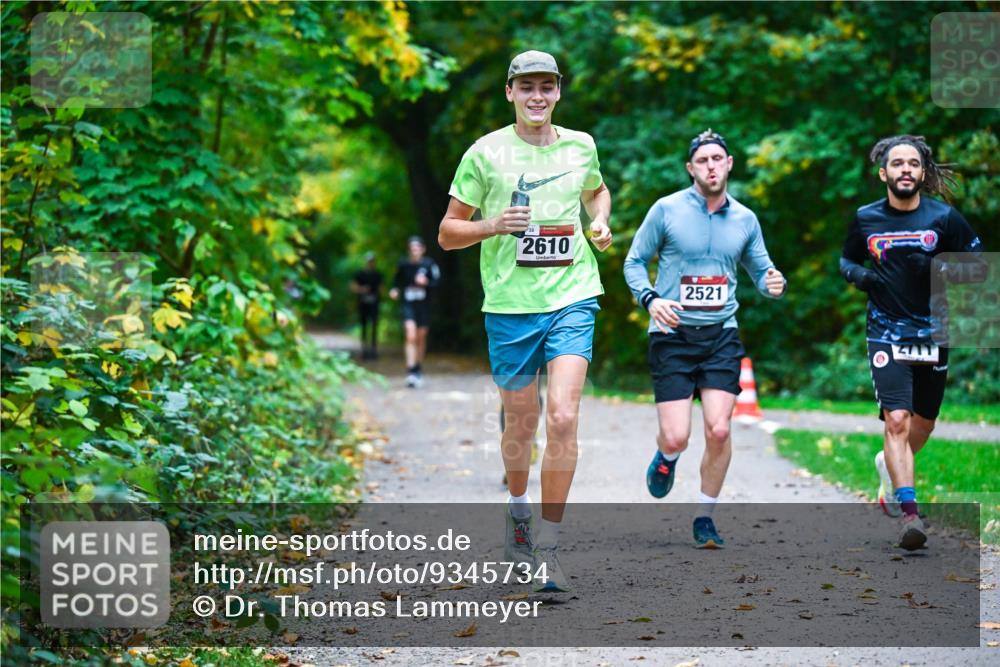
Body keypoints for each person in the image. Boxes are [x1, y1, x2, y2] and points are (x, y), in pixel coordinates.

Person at [438, 50, 613, 592]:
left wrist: (600, 221)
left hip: (573, 295)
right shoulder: (484, 153)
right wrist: (492, 225)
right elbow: (447, 232)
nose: (537, 96)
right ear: (510, 92)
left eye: (547, 86)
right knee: (522, 424)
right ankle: (518, 514)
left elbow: (596, 190)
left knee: (562, 417)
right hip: (511, 307)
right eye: (526, 87)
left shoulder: (581, 145)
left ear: (559, 91)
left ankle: (550, 548)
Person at [624, 129, 786, 549]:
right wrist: (650, 298)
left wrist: (773, 282)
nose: (711, 166)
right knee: (677, 435)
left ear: (729, 164)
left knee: (718, 430)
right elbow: (635, 262)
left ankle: (704, 517)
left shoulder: (746, 219)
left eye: (718, 158)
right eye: (703, 160)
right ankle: (668, 457)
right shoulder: (667, 210)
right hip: (672, 335)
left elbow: (762, 271)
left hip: (721, 336)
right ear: (691, 168)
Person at [840, 134, 983, 551]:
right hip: (885, 329)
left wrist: (938, 267)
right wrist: (859, 276)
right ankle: (909, 515)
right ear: (883, 173)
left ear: (923, 172)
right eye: (897, 163)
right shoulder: (866, 218)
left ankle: (889, 464)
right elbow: (847, 259)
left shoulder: (945, 218)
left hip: (933, 330)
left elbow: (976, 266)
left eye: (913, 164)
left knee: (924, 422)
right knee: (896, 420)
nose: (906, 170)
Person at [389, 237, 440, 388]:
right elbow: (396, 281)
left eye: (417, 248)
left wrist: (426, 283)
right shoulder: (403, 264)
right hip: (408, 304)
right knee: (410, 334)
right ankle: (411, 370)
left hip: (424, 305)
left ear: (422, 249)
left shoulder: (429, 264)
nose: (414, 250)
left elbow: (437, 282)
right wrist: (395, 290)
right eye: (411, 248)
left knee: (420, 337)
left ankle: (418, 368)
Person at [350, 252, 383, 359]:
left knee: (374, 326)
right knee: (364, 326)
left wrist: (378, 293)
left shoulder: (378, 275)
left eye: (372, 261)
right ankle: (364, 350)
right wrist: (362, 289)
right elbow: (353, 287)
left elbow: (382, 289)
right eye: (369, 261)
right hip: (363, 304)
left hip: (374, 304)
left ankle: (373, 350)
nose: (370, 263)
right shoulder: (360, 274)